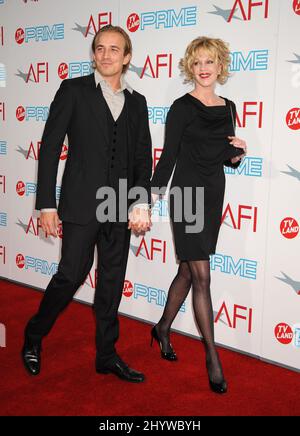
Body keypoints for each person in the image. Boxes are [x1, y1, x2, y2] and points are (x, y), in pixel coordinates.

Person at [22, 25, 152, 383]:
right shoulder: (73, 90)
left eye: (115, 49)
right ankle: (33, 336)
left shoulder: (138, 102)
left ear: (127, 58)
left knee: (111, 284)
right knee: (70, 276)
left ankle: (107, 355)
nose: (106, 55)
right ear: (94, 54)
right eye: (100, 48)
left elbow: (143, 157)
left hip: (119, 206)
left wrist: (141, 202)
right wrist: (46, 204)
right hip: (81, 203)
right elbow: (50, 148)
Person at [150, 36, 247, 394]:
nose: (204, 69)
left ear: (220, 66)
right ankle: (212, 357)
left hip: (212, 194)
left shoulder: (229, 106)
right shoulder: (181, 107)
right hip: (187, 195)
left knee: (188, 272)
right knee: (202, 276)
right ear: (190, 68)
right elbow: (169, 157)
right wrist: (146, 198)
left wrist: (237, 153)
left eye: (210, 62)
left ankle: (162, 327)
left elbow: (224, 157)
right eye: (197, 63)